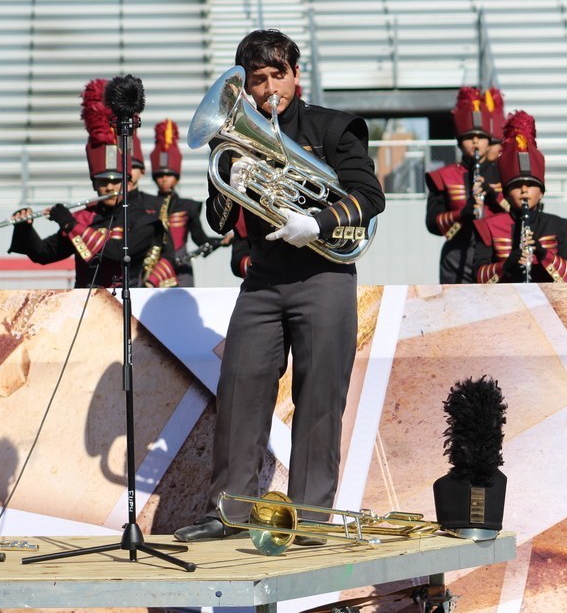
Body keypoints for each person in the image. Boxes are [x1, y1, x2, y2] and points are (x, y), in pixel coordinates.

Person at [174, 28, 385, 542]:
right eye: (258, 80)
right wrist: (230, 180)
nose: (270, 89)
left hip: (323, 276)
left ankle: (309, 519)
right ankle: (229, 512)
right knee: (239, 390)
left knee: (319, 400)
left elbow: (370, 196)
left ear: (295, 74)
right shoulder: (231, 138)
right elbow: (218, 222)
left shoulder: (332, 127)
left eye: (278, 75)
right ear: (245, 86)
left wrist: (318, 222)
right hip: (264, 280)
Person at [7, 81, 176, 289]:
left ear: (127, 182)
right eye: (103, 181)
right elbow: (44, 254)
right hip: (85, 303)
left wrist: (69, 224)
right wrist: (23, 227)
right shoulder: (84, 217)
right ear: (94, 184)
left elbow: (118, 253)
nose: (109, 188)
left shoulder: (144, 218)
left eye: (116, 181)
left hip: (127, 302)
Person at [472, 110, 567, 284]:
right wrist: (507, 265)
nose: (523, 190)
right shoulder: (488, 227)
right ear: (506, 194)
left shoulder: (556, 225)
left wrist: (542, 253)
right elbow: (478, 277)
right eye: (516, 186)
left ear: (541, 192)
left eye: (530, 185)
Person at [425, 86, 507, 283]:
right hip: (456, 259)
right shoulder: (444, 176)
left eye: (481, 137)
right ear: (460, 142)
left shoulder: (504, 174)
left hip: (496, 258)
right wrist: (462, 213)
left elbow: (518, 214)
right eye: (469, 137)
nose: (475, 141)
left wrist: (493, 195)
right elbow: (432, 223)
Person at [149, 119, 226, 286]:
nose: (164, 179)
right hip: (152, 269)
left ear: (176, 178)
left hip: (181, 269)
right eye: (160, 175)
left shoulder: (188, 206)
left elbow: (199, 238)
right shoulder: (146, 204)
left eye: (169, 175)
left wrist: (220, 240)